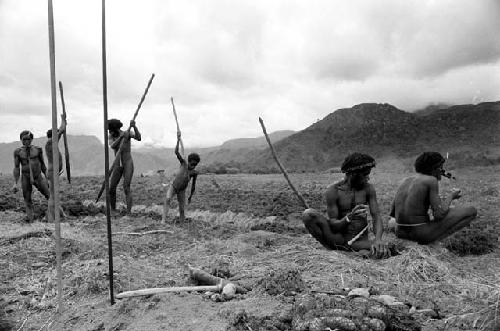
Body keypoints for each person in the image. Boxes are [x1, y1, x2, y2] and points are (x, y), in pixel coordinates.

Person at [302, 153, 389, 258]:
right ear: (353, 174)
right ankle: (332, 250)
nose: (368, 178)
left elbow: (376, 216)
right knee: (308, 214)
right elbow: (333, 225)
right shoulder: (333, 191)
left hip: (359, 241)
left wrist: (378, 239)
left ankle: (347, 254)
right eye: (365, 174)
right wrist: (349, 217)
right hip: (337, 238)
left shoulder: (368, 189)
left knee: (386, 249)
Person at [391, 152, 477, 244]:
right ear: (436, 168)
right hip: (420, 234)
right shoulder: (431, 180)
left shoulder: (406, 180)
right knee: (471, 211)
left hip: (400, 233)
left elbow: (393, 213)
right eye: (441, 167)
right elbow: (439, 214)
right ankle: (432, 242)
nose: (443, 171)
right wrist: (451, 196)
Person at [12, 130, 50, 222]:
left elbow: (43, 165)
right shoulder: (18, 152)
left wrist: (47, 178)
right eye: (24, 139)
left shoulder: (38, 150)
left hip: (38, 177)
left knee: (49, 195)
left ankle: (50, 215)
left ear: (32, 139)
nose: (26, 141)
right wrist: (15, 183)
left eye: (28, 139)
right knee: (27, 199)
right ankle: (31, 220)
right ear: (21, 140)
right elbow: (17, 168)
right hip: (26, 177)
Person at [162, 132, 200, 223]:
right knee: (167, 200)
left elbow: (193, 186)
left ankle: (182, 223)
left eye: (195, 165)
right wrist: (178, 140)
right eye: (192, 164)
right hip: (174, 186)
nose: (193, 166)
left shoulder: (194, 173)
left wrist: (190, 196)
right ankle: (163, 220)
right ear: (189, 161)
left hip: (182, 190)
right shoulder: (183, 164)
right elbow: (176, 152)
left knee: (182, 209)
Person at [108, 118, 141, 214]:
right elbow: (113, 146)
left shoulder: (127, 133)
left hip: (127, 163)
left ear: (115, 129)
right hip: (117, 164)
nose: (109, 132)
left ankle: (129, 212)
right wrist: (121, 137)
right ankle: (113, 210)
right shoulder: (112, 136)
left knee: (126, 186)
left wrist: (134, 127)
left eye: (110, 130)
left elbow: (139, 138)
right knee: (111, 189)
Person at [45, 114, 67, 221]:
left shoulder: (52, 144)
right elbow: (62, 130)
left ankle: (55, 215)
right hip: (52, 172)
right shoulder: (50, 142)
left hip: (54, 171)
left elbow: (61, 131)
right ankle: (50, 218)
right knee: (53, 195)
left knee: (54, 194)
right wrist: (63, 120)